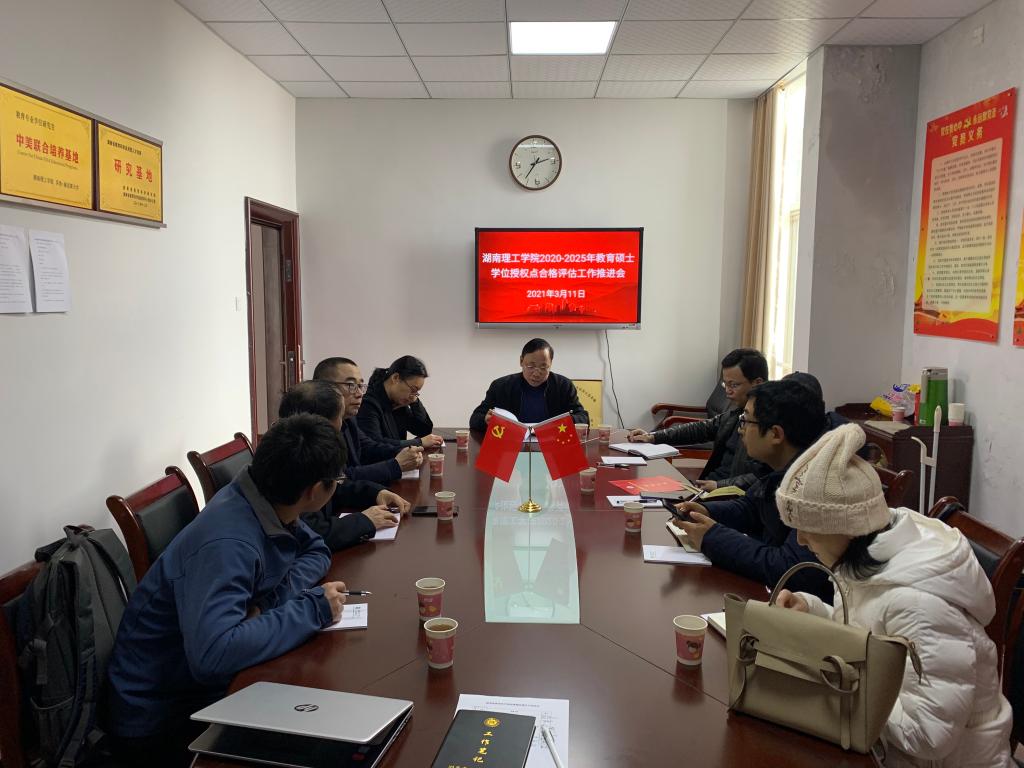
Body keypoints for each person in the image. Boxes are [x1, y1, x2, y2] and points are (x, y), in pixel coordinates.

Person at [105, 414, 351, 768]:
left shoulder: (264, 497)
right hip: (159, 716)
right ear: (315, 490)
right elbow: (214, 655)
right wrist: (312, 609)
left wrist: (269, 603)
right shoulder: (228, 541)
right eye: (337, 480)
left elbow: (315, 551)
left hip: (198, 684)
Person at [774, 424, 1013, 768]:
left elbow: (927, 734)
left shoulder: (919, 603)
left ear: (845, 526)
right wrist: (811, 611)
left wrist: (839, 681)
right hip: (886, 747)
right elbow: (869, 636)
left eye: (807, 527)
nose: (799, 540)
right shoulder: (867, 562)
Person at [675, 379, 832, 601]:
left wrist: (712, 537)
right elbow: (751, 507)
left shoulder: (820, 488)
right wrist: (706, 511)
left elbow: (791, 569)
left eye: (746, 420)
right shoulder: (780, 466)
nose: (740, 430)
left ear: (776, 434)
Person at [278, 380, 411, 550]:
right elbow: (311, 532)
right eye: (340, 418)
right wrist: (364, 521)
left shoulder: (299, 445)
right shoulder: (293, 459)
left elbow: (337, 485)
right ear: (319, 424)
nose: (343, 425)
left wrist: (375, 493)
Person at [628, 348, 770, 491]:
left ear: (757, 383)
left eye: (734, 385)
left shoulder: (770, 426)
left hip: (727, 495)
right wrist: (653, 437)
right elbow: (702, 429)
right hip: (709, 487)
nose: (728, 391)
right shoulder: (737, 412)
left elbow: (765, 476)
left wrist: (719, 486)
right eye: (725, 384)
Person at [313, 357, 427, 480]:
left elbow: (368, 447)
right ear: (324, 388)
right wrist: (396, 465)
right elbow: (339, 479)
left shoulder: (348, 418)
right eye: (351, 385)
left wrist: (405, 453)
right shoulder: (315, 430)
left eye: (360, 385)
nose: (359, 394)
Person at [469, 338, 589, 431]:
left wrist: (564, 422)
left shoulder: (563, 386)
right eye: (531, 366)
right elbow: (475, 418)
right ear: (521, 361)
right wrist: (485, 420)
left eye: (543, 367)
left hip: (553, 444)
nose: (536, 373)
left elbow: (583, 418)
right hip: (511, 445)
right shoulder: (501, 386)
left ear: (551, 364)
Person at [359, 355, 444, 449]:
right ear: (395, 378)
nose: (412, 396)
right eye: (413, 389)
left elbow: (424, 431)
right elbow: (375, 444)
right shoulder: (367, 404)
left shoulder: (399, 403)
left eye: (416, 392)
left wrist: (415, 403)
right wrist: (419, 442)